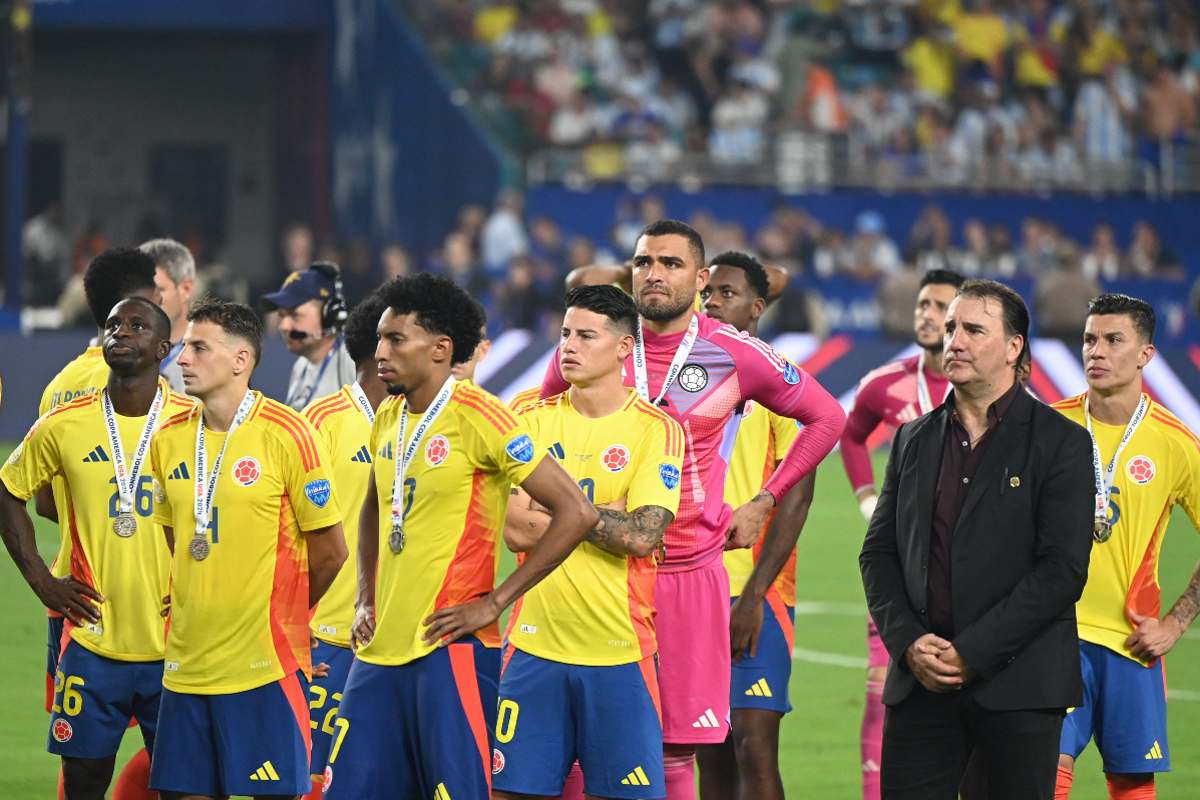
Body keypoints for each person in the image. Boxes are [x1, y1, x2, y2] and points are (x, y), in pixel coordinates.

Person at [541, 220, 845, 798]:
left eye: (672, 264)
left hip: (685, 569)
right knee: (582, 743)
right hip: (593, 567)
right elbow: (539, 421)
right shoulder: (596, 341)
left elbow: (827, 418)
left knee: (675, 746)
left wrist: (764, 498)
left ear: (700, 278)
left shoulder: (735, 354)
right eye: (644, 262)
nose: (654, 274)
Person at [324, 274, 597, 800]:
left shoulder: (482, 416)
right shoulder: (388, 415)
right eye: (380, 338)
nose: (379, 351)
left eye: (395, 339)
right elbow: (374, 504)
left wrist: (494, 603)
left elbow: (576, 513)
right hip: (379, 652)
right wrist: (364, 595)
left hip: (450, 652)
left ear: (441, 349)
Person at [859, 279, 1094, 799]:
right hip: (921, 687)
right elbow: (878, 553)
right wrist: (908, 644)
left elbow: (1061, 571)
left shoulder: (1063, 443)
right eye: (950, 329)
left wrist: (971, 652)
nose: (955, 341)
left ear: (1014, 348)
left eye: (973, 329)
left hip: (1019, 691)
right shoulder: (912, 438)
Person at [147, 298, 349, 800]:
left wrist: (286, 621)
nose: (181, 359)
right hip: (186, 668)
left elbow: (331, 551)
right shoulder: (167, 437)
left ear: (240, 361)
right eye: (183, 346)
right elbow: (181, 543)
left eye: (197, 347)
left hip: (264, 669)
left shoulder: (288, 433)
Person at [0, 297, 194, 800]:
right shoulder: (64, 423)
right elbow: (8, 491)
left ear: (163, 348)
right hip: (92, 642)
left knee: (184, 786)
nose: (120, 333)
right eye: (112, 325)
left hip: (180, 645)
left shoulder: (195, 422)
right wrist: (43, 581)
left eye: (136, 325)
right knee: (83, 782)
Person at [495, 285, 684, 799]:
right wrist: (604, 518)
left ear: (624, 348)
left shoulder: (657, 429)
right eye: (564, 334)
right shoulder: (527, 415)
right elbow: (513, 527)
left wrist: (557, 511)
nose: (568, 346)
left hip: (619, 653)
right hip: (533, 647)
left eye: (585, 335)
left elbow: (643, 536)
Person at [1051, 294, 1200, 799]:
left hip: (1131, 646)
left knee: (1133, 786)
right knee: (1040, 776)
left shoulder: (1175, 442)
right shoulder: (1047, 427)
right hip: (1051, 637)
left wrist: (1176, 623)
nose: (1097, 350)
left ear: (1145, 354)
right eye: (1090, 339)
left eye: (1114, 340)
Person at [35, 248, 162, 800]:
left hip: (75, 594)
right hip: (138, 608)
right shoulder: (167, 391)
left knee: (82, 753)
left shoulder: (58, 384)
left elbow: (43, 502)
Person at [694, 252, 817, 800]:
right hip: (689, 587)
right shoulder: (687, 377)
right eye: (708, 293)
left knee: (753, 744)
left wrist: (755, 595)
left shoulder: (779, 382)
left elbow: (797, 495)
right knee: (708, 749)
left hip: (754, 592)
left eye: (727, 293)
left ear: (757, 308)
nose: (713, 302)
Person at [839, 267, 963, 800]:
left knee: (970, 697)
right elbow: (851, 434)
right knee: (882, 691)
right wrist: (867, 497)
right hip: (901, 566)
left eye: (939, 306)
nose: (927, 315)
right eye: (922, 305)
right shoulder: (887, 382)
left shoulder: (988, 390)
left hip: (972, 570)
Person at [299, 293, 389, 798]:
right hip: (330, 637)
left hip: (402, 637)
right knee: (317, 779)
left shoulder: (426, 421)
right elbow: (286, 536)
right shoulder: (320, 423)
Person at [261, 263, 356, 411]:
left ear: (329, 316)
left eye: (295, 314)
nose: (283, 326)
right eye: (281, 316)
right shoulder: (300, 367)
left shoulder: (351, 360)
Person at [139, 238, 197, 393]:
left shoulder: (211, 358)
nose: (146, 300)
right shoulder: (120, 354)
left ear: (186, 289)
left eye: (158, 290)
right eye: (141, 291)